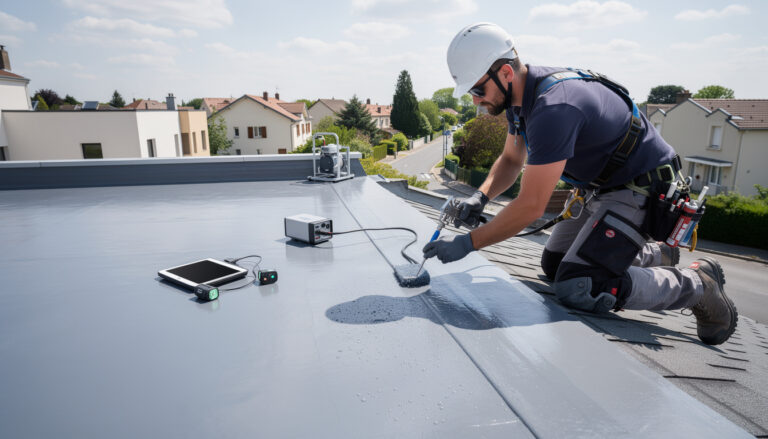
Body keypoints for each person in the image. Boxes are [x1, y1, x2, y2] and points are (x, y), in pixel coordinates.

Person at [423, 22, 738, 345]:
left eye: (478, 90)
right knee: (556, 264)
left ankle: (698, 285)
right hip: (601, 187)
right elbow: (511, 161)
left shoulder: (553, 107)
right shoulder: (521, 99)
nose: (476, 101)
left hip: (640, 187)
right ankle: (656, 255)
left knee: (582, 285)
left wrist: (468, 243)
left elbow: (531, 206)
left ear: (505, 73)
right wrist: (481, 196)